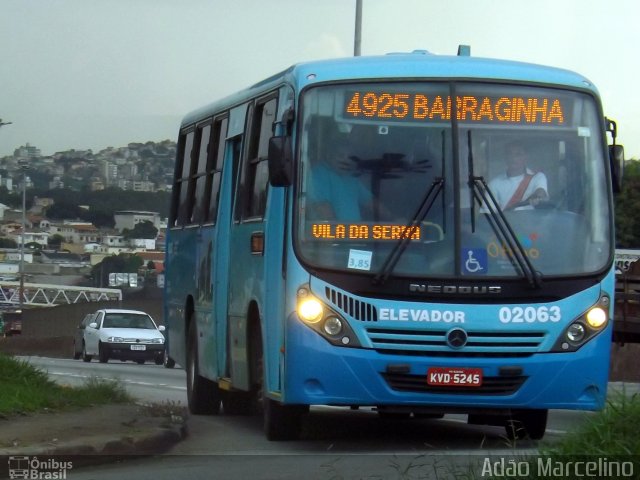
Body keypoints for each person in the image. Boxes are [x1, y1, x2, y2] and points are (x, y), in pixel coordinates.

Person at [306, 139, 374, 221]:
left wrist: (392, 218)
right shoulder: (319, 173)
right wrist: (338, 231)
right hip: (334, 232)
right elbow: (322, 207)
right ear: (329, 156)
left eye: (350, 157)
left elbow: (371, 202)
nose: (345, 160)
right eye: (340, 156)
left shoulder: (351, 177)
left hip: (354, 232)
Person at [487, 142, 548, 210]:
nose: (513, 158)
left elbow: (541, 191)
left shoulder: (537, 177)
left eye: (518, 154)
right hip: (504, 221)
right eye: (510, 154)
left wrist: (536, 196)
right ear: (505, 157)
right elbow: (489, 214)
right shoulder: (494, 184)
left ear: (526, 157)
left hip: (532, 220)